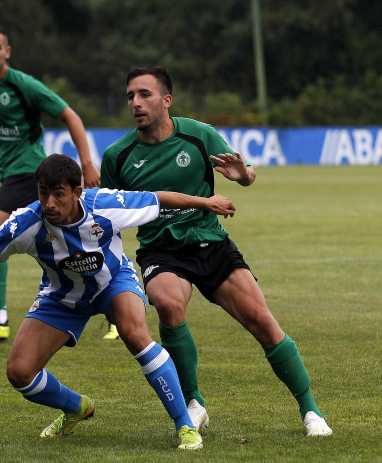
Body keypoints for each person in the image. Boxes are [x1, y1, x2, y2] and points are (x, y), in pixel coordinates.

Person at [99, 66, 333, 437]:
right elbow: (107, 213)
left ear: (166, 100)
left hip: (211, 242)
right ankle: (194, 403)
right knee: (168, 302)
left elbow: (247, 175)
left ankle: (311, 411)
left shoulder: (199, 135)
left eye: (144, 94)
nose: (136, 103)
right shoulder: (118, 155)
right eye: (130, 96)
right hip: (161, 250)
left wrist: (242, 175)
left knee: (262, 321)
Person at [0, 154, 238, 449]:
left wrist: (205, 203)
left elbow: (157, 198)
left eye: (58, 195)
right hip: (62, 298)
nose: (49, 203)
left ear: (77, 193)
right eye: (43, 194)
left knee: (136, 336)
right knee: (20, 373)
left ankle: (185, 426)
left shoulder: (105, 204)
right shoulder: (25, 223)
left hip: (114, 282)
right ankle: (76, 407)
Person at [0, 25, 101, 341]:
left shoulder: (23, 85)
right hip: (13, 174)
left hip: (29, 173)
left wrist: (87, 164)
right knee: (69, 239)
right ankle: (108, 299)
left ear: (7, 52)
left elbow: (71, 116)